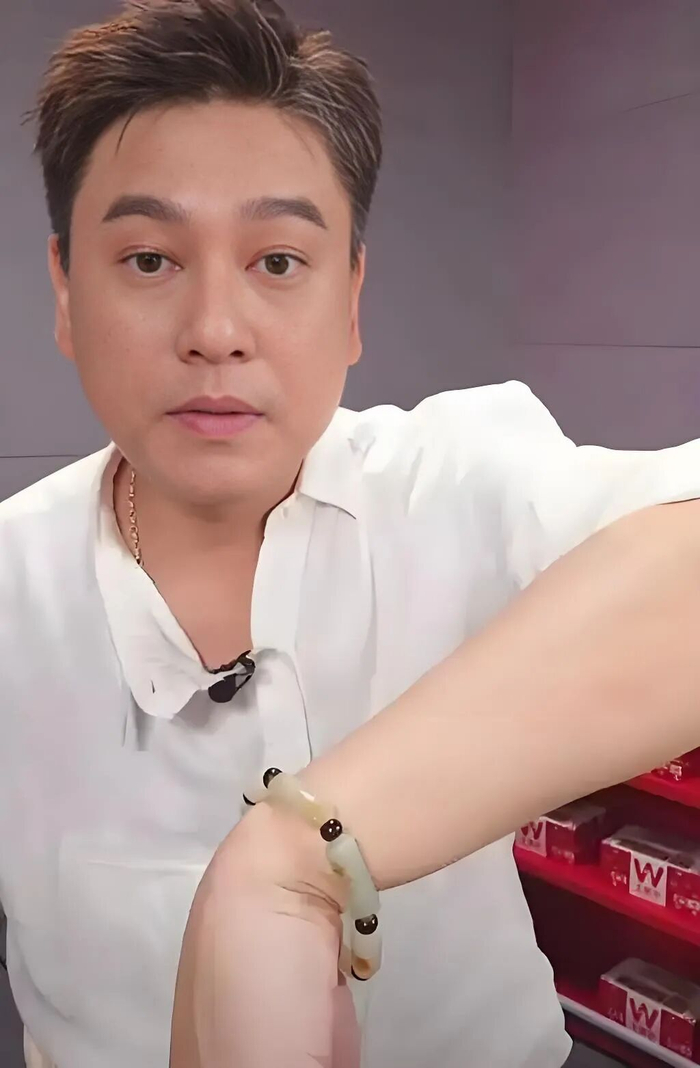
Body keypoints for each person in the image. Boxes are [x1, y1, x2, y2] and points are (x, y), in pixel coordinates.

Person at [2, 2, 700, 1067]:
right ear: (64, 291)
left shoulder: (455, 478)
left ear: (354, 297)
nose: (216, 333)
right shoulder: (14, 584)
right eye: (148, 260)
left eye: (278, 262)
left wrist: (292, 856)